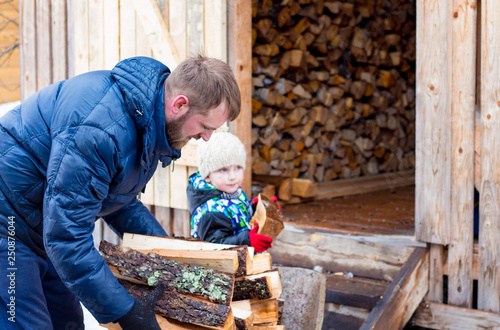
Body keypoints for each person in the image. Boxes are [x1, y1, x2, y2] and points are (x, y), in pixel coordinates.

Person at [0, 55, 241, 329]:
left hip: (43, 222)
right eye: (206, 127)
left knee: (66, 322)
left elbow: (118, 199)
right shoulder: (100, 130)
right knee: (27, 323)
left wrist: (165, 255)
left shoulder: (145, 123)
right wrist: (126, 313)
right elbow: (66, 237)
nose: (207, 137)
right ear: (180, 105)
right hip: (7, 225)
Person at [186, 132, 273, 253]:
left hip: (239, 262)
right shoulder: (211, 213)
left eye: (237, 167)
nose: (232, 176)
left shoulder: (232, 193)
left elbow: (237, 218)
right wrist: (247, 241)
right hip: (219, 270)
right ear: (207, 176)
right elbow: (213, 248)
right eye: (223, 170)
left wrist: (257, 210)